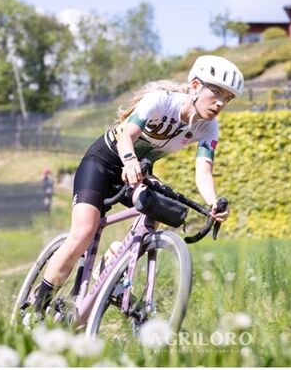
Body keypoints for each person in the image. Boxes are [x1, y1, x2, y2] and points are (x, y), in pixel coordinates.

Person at [33, 55, 244, 313]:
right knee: (83, 232)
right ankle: (35, 308)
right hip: (104, 161)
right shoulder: (161, 101)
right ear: (196, 85)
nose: (221, 102)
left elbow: (203, 171)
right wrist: (130, 159)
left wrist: (213, 203)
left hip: (138, 169)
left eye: (228, 98)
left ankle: (114, 263)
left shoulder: (208, 128)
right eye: (216, 92)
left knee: (157, 207)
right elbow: (126, 137)